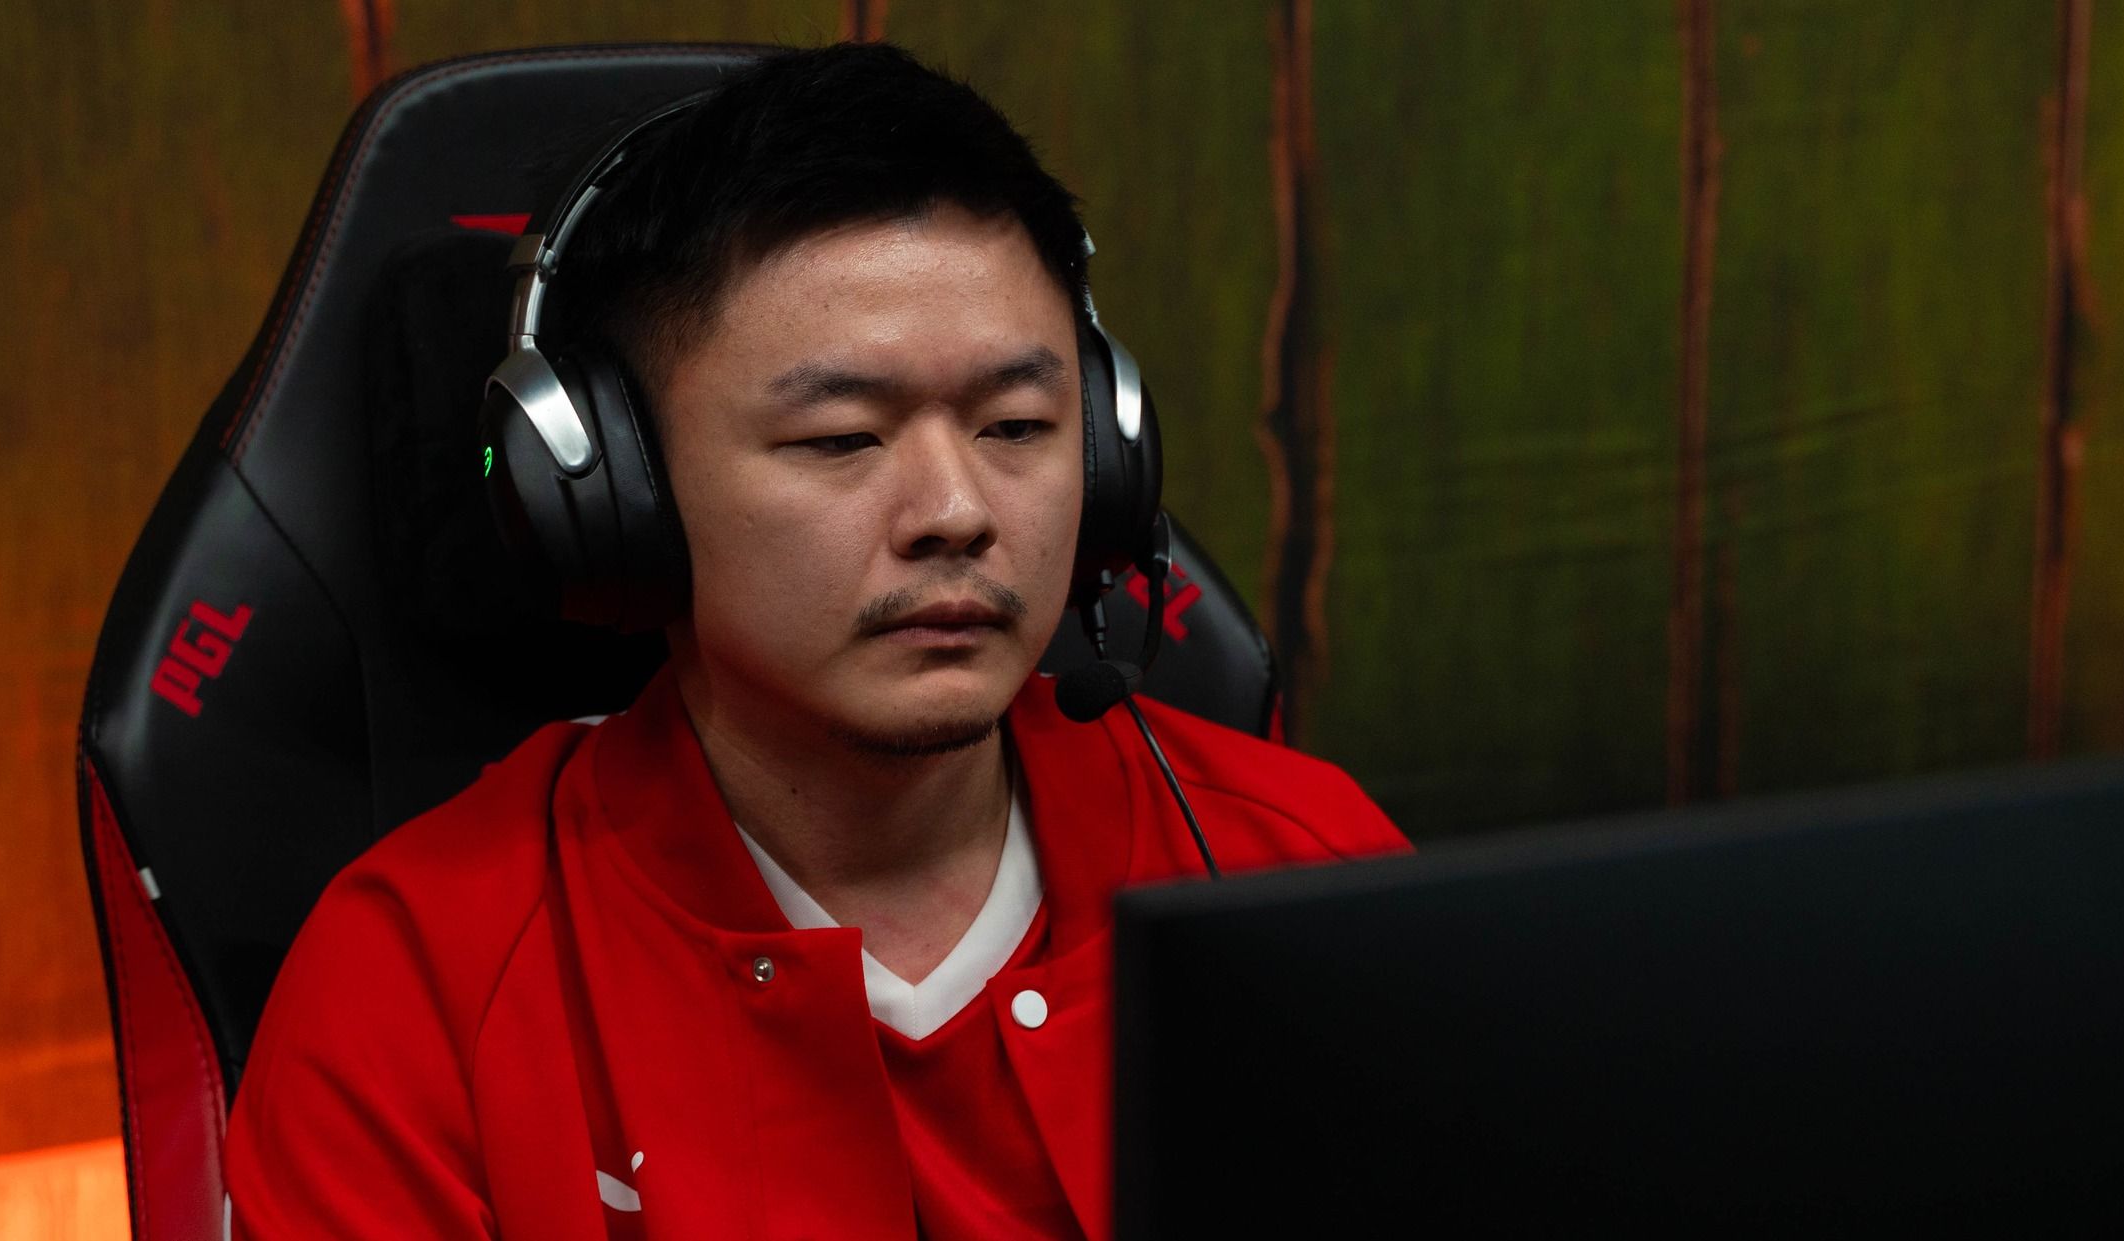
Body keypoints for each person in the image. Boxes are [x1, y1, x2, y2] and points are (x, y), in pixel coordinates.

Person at [223, 41, 1406, 1240]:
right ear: (614, 491)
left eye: (1015, 424)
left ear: (1106, 455)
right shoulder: (411, 991)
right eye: (842, 438)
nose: (956, 511)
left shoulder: (1302, 870)